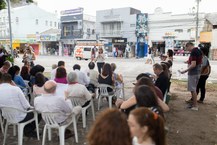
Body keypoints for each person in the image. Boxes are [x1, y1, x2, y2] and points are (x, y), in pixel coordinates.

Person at [0, 73, 40, 137]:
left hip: (7, 117)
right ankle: (28, 130)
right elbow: (26, 106)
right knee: (38, 113)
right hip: (20, 116)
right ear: (11, 81)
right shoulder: (16, 89)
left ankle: (26, 129)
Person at [180, 42, 202, 111]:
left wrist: (185, 71)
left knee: (193, 89)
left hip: (193, 73)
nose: (187, 50)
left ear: (189, 46)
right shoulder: (198, 50)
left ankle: (195, 106)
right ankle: (193, 104)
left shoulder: (193, 52)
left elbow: (193, 64)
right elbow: (197, 61)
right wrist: (188, 61)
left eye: (186, 48)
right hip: (197, 72)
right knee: (193, 89)